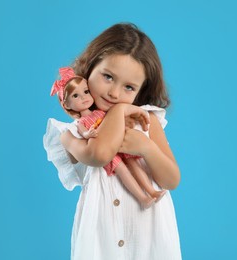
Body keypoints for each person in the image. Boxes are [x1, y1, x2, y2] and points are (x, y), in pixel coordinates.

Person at [43, 23, 181, 259]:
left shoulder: (145, 121)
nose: (114, 94)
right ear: (89, 67)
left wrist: (146, 147)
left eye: (128, 87)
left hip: (149, 237)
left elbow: (171, 180)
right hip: (101, 236)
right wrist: (119, 112)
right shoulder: (69, 132)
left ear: (140, 90)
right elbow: (99, 155)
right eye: (108, 77)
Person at [50, 66, 166, 208]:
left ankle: (152, 192)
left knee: (134, 164)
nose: (84, 98)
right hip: (107, 152)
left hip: (120, 143)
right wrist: (88, 134)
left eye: (86, 92)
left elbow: (115, 121)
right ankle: (142, 198)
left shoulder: (102, 111)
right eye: (75, 96)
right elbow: (83, 134)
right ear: (66, 104)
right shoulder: (81, 123)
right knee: (123, 170)